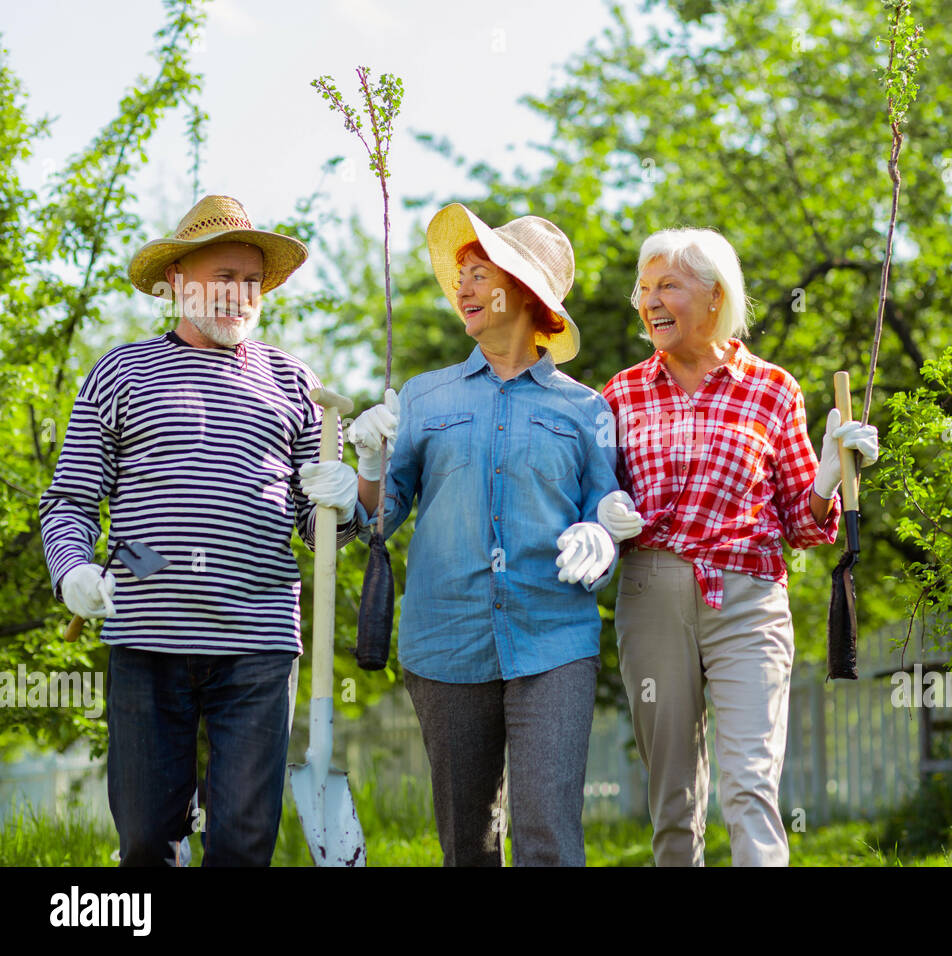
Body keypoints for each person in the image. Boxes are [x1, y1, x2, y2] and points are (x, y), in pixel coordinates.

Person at [38, 195, 363, 866]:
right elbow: (69, 499)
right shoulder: (121, 371)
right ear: (179, 282)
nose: (239, 294)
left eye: (251, 280)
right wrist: (71, 568)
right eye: (223, 276)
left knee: (244, 842)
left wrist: (350, 496)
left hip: (258, 643)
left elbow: (322, 532)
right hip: (148, 635)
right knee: (147, 840)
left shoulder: (293, 381)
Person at [348, 204, 622, 866]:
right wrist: (367, 467)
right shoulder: (424, 398)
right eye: (460, 275)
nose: (462, 289)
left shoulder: (585, 408)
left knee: (548, 837)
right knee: (467, 843)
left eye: (479, 274)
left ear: (525, 293)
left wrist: (602, 539)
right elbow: (380, 521)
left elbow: (609, 513)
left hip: (553, 638)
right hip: (445, 639)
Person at [600, 227, 879, 866]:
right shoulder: (621, 392)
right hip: (652, 593)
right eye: (644, 289)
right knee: (673, 798)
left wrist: (828, 480)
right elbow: (598, 502)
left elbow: (803, 525)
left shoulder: (772, 389)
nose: (651, 301)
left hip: (749, 601)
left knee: (751, 786)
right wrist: (603, 515)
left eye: (668, 285)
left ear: (715, 293)